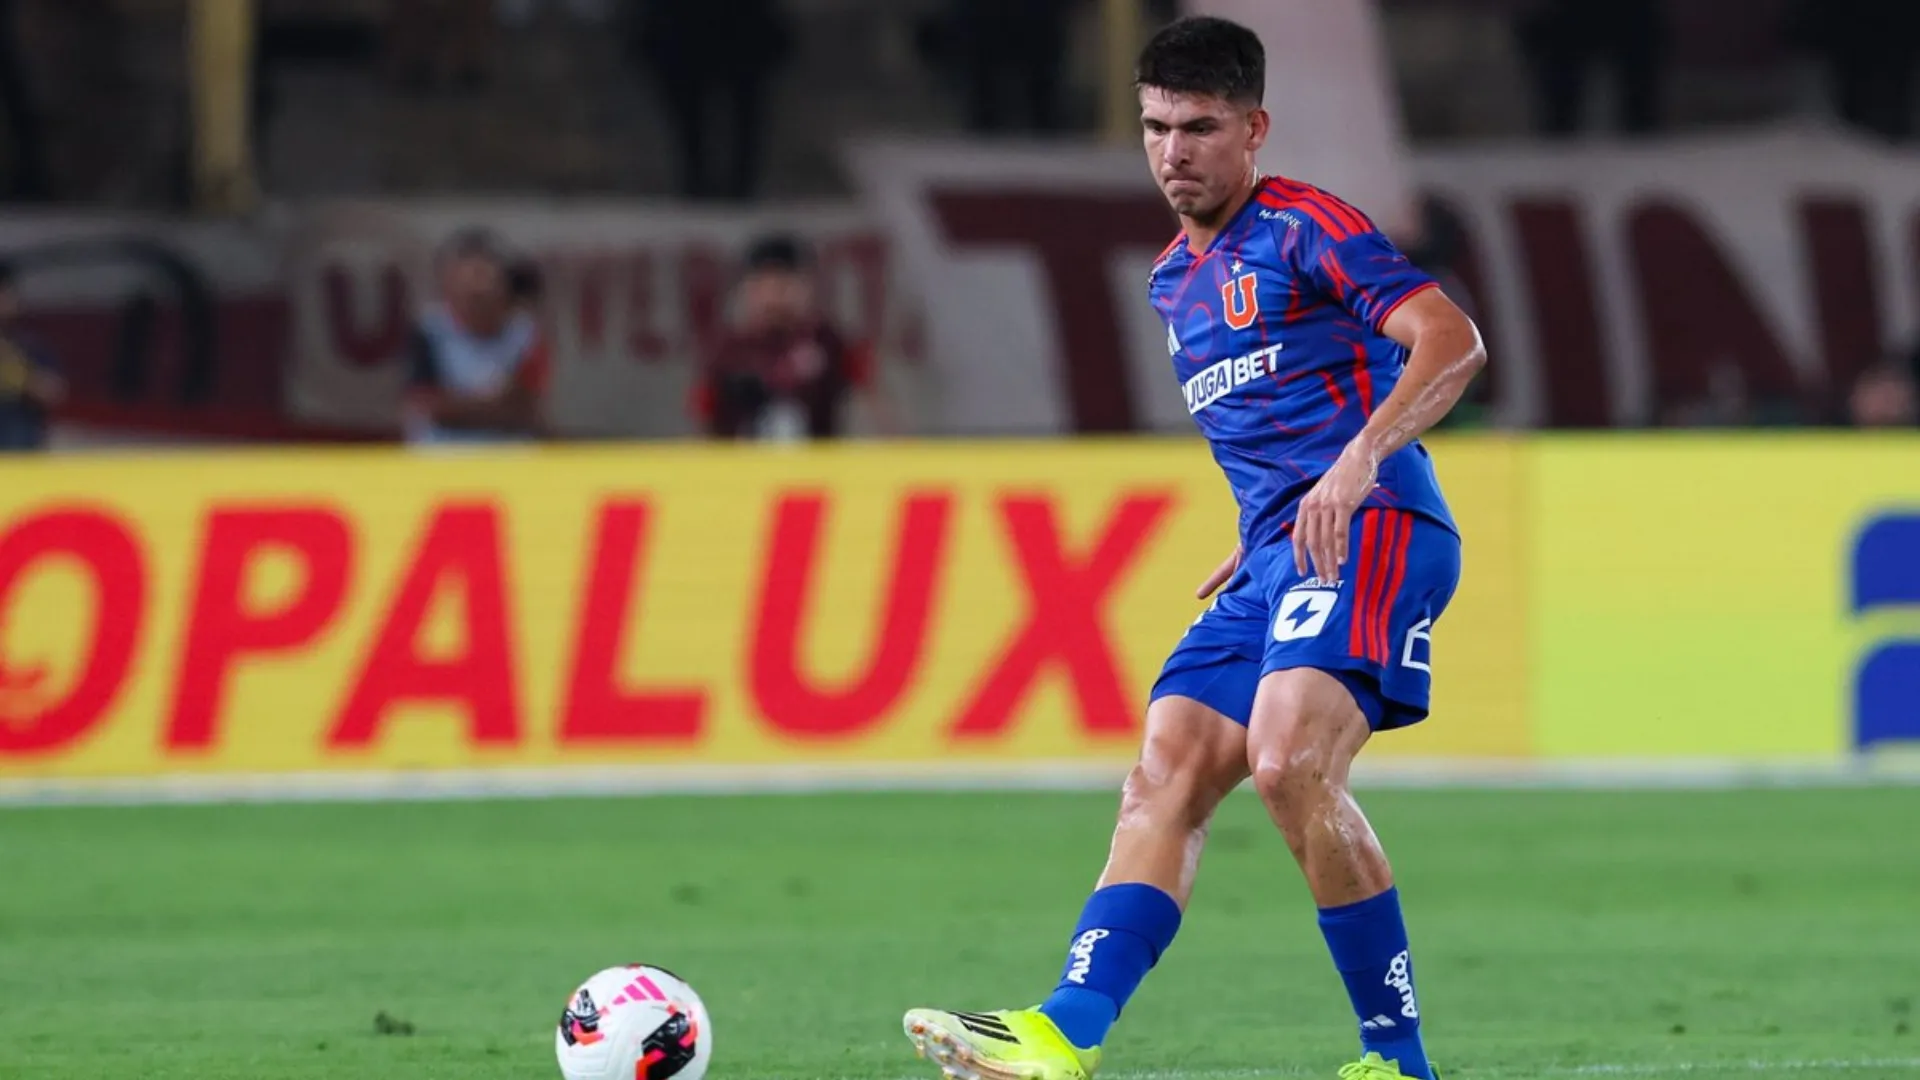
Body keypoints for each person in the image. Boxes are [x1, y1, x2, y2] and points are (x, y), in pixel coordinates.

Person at [902, 16, 1486, 1080]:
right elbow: (1274, 416)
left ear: (1254, 129)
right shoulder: (1173, 281)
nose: (1174, 152)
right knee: (1162, 770)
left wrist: (1358, 463)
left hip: (1375, 524)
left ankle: (1397, 1060)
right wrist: (1253, 527)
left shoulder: (1310, 226)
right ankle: (1062, 1033)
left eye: (1200, 128)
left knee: (1285, 760)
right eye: (1156, 127)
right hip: (1276, 553)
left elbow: (1452, 339)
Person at [695, 235, 858, 441]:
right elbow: (702, 421)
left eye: (783, 286)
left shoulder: (827, 341)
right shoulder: (727, 350)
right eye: (764, 286)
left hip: (815, 466)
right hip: (742, 466)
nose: (773, 298)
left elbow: (872, 401)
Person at [403, 229, 548, 445]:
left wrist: (463, 405)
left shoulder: (525, 335)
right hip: (444, 458)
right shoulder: (430, 331)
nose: (476, 292)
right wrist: (495, 404)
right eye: (467, 279)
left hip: (509, 459)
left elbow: (528, 411)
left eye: (484, 277)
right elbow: (428, 407)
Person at [0, 261, 65, 451]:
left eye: (5, 294)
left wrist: (20, 376)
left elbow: (55, 392)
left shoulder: (29, 346)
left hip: (21, 455)